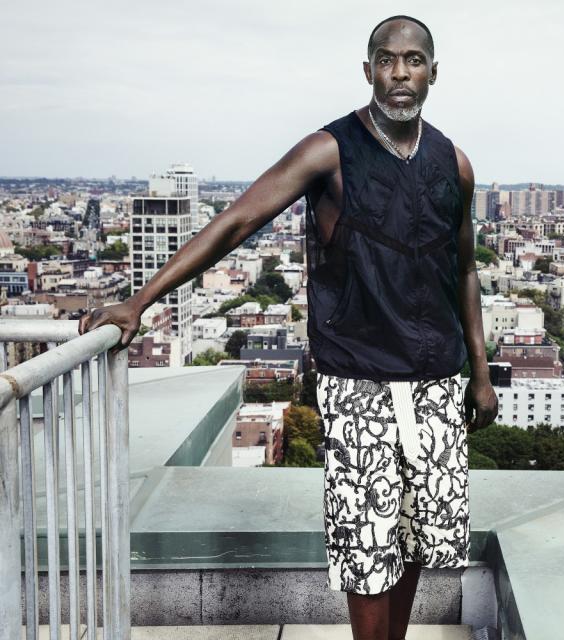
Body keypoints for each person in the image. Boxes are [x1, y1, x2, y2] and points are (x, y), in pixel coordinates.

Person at [79, 14, 498, 640]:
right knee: (365, 545)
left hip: (438, 379)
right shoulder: (328, 150)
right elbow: (236, 223)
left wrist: (481, 373)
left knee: (416, 537)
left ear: (434, 72)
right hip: (358, 379)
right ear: (368, 71)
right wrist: (139, 302)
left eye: (413, 61)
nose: (400, 74)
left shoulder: (453, 163)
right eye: (386, 61)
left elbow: (462, 270)